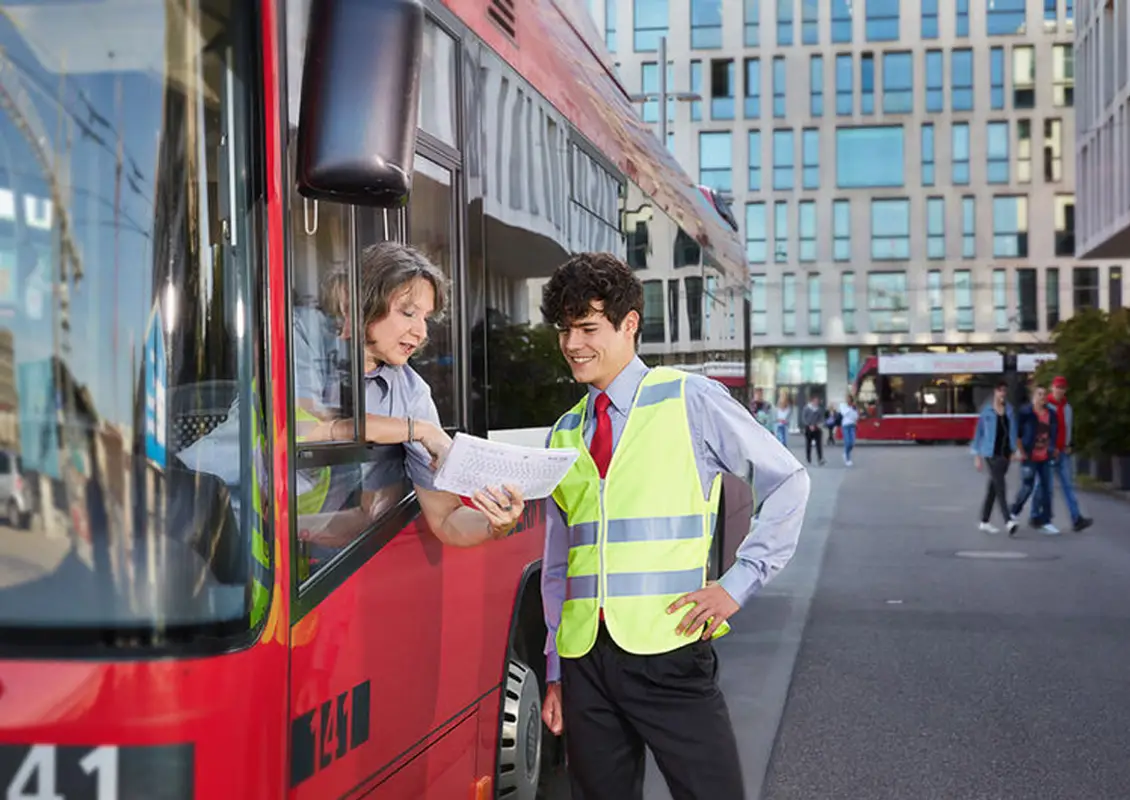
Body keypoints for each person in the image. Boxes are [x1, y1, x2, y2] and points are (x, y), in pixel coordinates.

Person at [537, 253, 810, 800]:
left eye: (588, 328)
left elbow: (790, 481)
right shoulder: (565, 430)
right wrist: (555, 668)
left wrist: (737, 585)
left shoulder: (689, 398)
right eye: (564, 330)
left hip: (670, 647)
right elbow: (558, 562)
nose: (572, 344)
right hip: (584, 661)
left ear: (629, 323)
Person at [180, 242, 524, 556]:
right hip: (189, 502)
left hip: (252, 555)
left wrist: (493, 524)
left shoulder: (410, 393)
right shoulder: (302, 335)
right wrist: (417, 430)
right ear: (362, 302)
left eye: (426, 318)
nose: (421, 332)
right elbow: (299, 431)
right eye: (408, 312)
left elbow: (445, 518)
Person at [1034, 376, 1092, 532]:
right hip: (1049, 452)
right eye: (1057, 387)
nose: (1059, 390)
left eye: (1062, 388)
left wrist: (1068, 444)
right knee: (1043, 486)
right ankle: (1035, 515)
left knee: (1067, 486)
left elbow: (1067, 428)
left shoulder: (1067, 408)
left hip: (1063, 452)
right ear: (1052, 388)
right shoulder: (1046, 406)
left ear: (1065, 390)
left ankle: (1076, 518)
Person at [1009, 382, 1059, 535]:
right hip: (1030, 455)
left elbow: (1053, 433)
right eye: (1039, 394)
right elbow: (1017, 434)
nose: (1043, 398)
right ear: (1033, 397)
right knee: (1027, 487)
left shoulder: (1051, 414)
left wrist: (1054, 448)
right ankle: (1013, 512)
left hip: (1045, 456)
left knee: (1046, 489)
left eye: (1044, 395)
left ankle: (1046, 521)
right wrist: (1021, 451)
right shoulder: (1026, 413)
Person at [971, 380, 1019, 535]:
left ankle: (984, 521)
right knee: (1000, 487)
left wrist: (1014, 450)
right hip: (991, 454)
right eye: (1000, 391)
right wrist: (977, 455)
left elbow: (1013, 432)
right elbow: (979, 434)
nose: (1002, 394)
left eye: (1004, 391)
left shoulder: (1009, 411)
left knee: (993, 487)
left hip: (1005, 454)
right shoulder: (987, 412)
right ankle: (1008, 520)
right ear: (995, 392)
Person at [801, 393, 825, 466]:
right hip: (808, 428)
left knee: (819, 444)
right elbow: (804, 418)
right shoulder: (807, 408)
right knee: (808, 444)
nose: (816, 402)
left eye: (817, 401)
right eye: (815, 401)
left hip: (817, 428)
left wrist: (818, 424)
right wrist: (809, 425)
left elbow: (821, 418)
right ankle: (808, 458)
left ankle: (820, 458)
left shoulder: (819, 409)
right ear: (812, 401)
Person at [839, 391, 860, 467]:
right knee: (847, 442)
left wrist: (853, 409)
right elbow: (844, 413)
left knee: (852, 443)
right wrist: (851, 409)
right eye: (847, 399)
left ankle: (845, 453)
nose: (848, 400)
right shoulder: (842, 405)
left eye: (850, 399)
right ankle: (847, 458)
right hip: (845, 425)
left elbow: (856, 417)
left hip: (852, 425)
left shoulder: (854, 407)